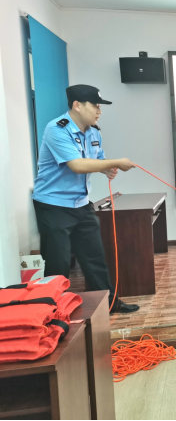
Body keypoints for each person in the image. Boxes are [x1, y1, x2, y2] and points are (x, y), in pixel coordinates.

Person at [32, 84, 139, 313]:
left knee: (95, 258)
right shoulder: (57, 129)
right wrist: (116, 162)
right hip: (53, 206)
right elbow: (77, 165)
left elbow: (97, 159)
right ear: (77, 106)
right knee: (58, 264)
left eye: (100, 106)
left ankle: (109, 303)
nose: (99, 111)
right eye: (95, 106)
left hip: (81, 204)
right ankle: (53, 313)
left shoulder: (94, 132)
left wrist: (106, 168)